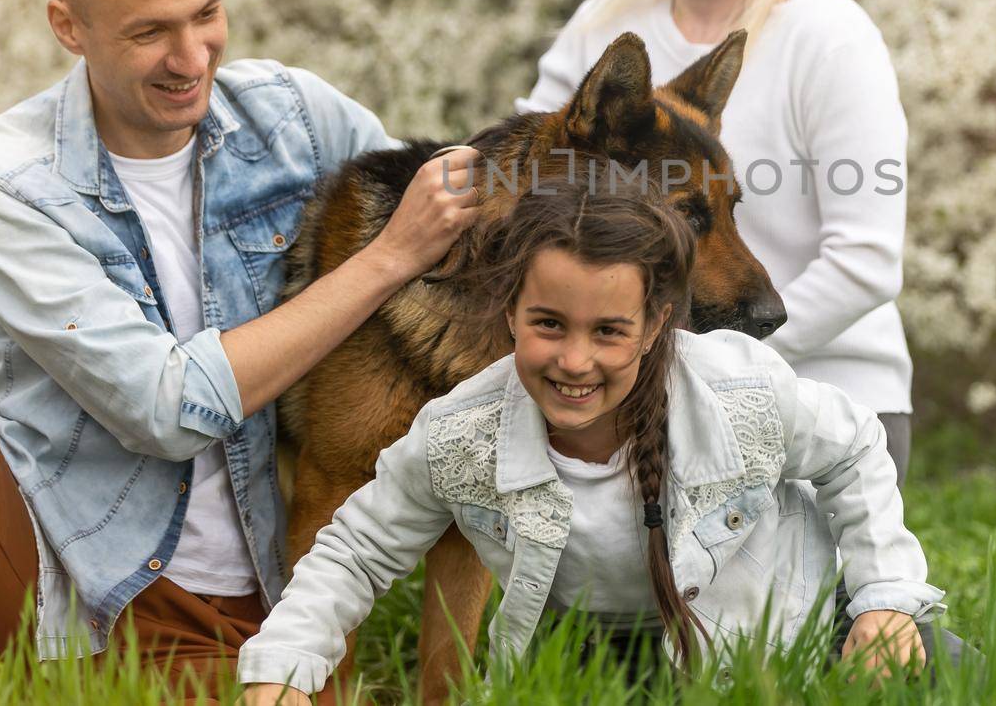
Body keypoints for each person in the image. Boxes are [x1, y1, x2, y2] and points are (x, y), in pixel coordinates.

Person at [0, 0, 477, 699]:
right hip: (46, 592)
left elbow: (448, 213)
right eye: (150, 31)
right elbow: (165, 408)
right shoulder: (4, 181)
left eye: (207, 13)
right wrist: (387, 258)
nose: (192, 58)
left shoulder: (296, 119)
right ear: (68, 26)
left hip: (251, 615)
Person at [237, 181, 954, 704]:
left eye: (608, 330)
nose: (574, 361)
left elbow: (856, 446)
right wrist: (284, 667)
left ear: (657, 325)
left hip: (791, 623)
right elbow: (354, 549)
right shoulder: (463, 434)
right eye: (549, 323)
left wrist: (883, 599)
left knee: (963, 683)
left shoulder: (739, 393)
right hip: (604, 659)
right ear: (509, 311)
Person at [517, 0, 917, 482]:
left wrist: (699, 370)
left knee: (744, 603)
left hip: (823, 398)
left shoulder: (831, 38)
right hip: (625, 398)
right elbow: (520, 186)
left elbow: (865, 262)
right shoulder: (603, 25)